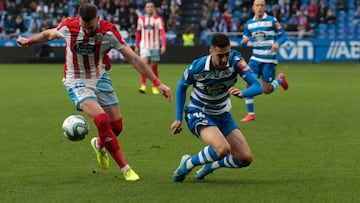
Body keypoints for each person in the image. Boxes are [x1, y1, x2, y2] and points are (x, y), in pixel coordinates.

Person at [17, 3, 173, 182]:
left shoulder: (108, 32)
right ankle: (125, 168)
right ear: (79, 20)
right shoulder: (69, 26)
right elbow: (48, 34)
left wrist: (157, 82)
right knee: (101, 120)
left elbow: (135, 59)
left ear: (98, 19)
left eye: (91, 27)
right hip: (75, 80)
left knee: (116, 127)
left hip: (99, 78)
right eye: (84, 27)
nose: (88, 30)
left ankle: (99, 144)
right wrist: (29, 41)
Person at [170, 33, 263, 182]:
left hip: (223, 114)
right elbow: (182, 86)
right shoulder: (198, 66)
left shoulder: (236, 60)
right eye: (220, 55)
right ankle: (187, 164)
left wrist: (243, 93)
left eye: (227, 54)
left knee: (245, 159)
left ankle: (212, 165)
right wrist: (177, 118)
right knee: (222, 149)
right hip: (198, 112)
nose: (225, 59)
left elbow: (258, 87)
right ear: (211, 52)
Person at [240, 0, 289, 122]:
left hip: (269, 60)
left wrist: (278, 43)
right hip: (255, 59)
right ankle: (251, 114)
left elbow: (284, 36)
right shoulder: (249, 23)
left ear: (265, 7)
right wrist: (244, 42)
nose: (259, 7)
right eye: (257, 5)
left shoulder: (272, 20)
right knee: (248, 84)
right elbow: (244, 40)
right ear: (253, 7)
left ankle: (280, 79)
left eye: (262, 5)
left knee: (266, 90)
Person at [135, 1, 167, 94]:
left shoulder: (158, 19)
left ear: (154, 8)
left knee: (154, 66)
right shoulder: (141, 19)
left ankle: (155, 86)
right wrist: (137, 46)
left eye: (151, 7)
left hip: (155, 45)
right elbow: (138, 33)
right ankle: (143, 85)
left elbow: (162, 33)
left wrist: (163, 45)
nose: (150, 8)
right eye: (148, 7)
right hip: (144, 45)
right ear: (145, 8)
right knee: (144, 65)